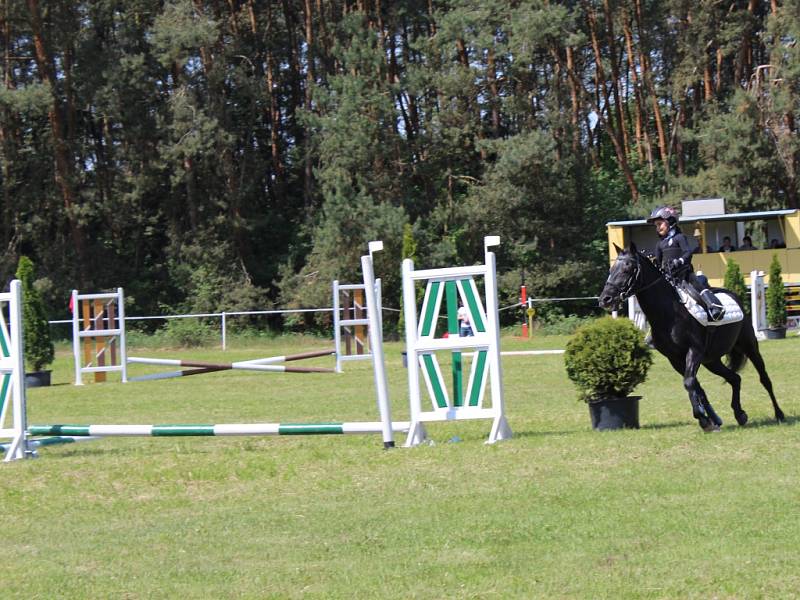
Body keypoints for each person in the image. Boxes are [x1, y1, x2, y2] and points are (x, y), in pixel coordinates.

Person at [647, 206, 725, 321]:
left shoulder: (680, 237)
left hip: (684, 273)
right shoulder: (659, 244)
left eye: (659, 224)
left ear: (670, 222)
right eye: (656, 226)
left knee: (696, 284)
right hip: (669, 277)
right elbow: (658, 261)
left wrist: (679, 261)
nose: (657, 228)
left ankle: (714, 307)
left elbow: (688, 253)